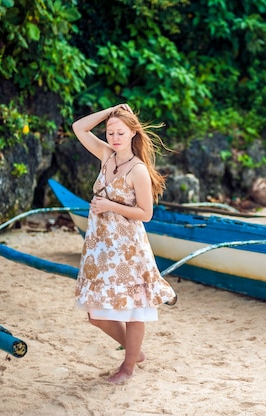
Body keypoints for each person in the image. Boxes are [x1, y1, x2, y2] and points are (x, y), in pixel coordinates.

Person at [71, 103, 177, 384]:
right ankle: (134, 352)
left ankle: (128, 367)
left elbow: (146, 214)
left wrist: (110, 205)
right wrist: (110, 111)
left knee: (133, 310)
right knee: (96, 313)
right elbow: (78, 128)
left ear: (132, 134)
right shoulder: (106, 156)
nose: (114, 138)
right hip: (101, 249)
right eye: (110, 133)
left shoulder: (138, 170)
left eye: (120, 133)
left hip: (128, 249)